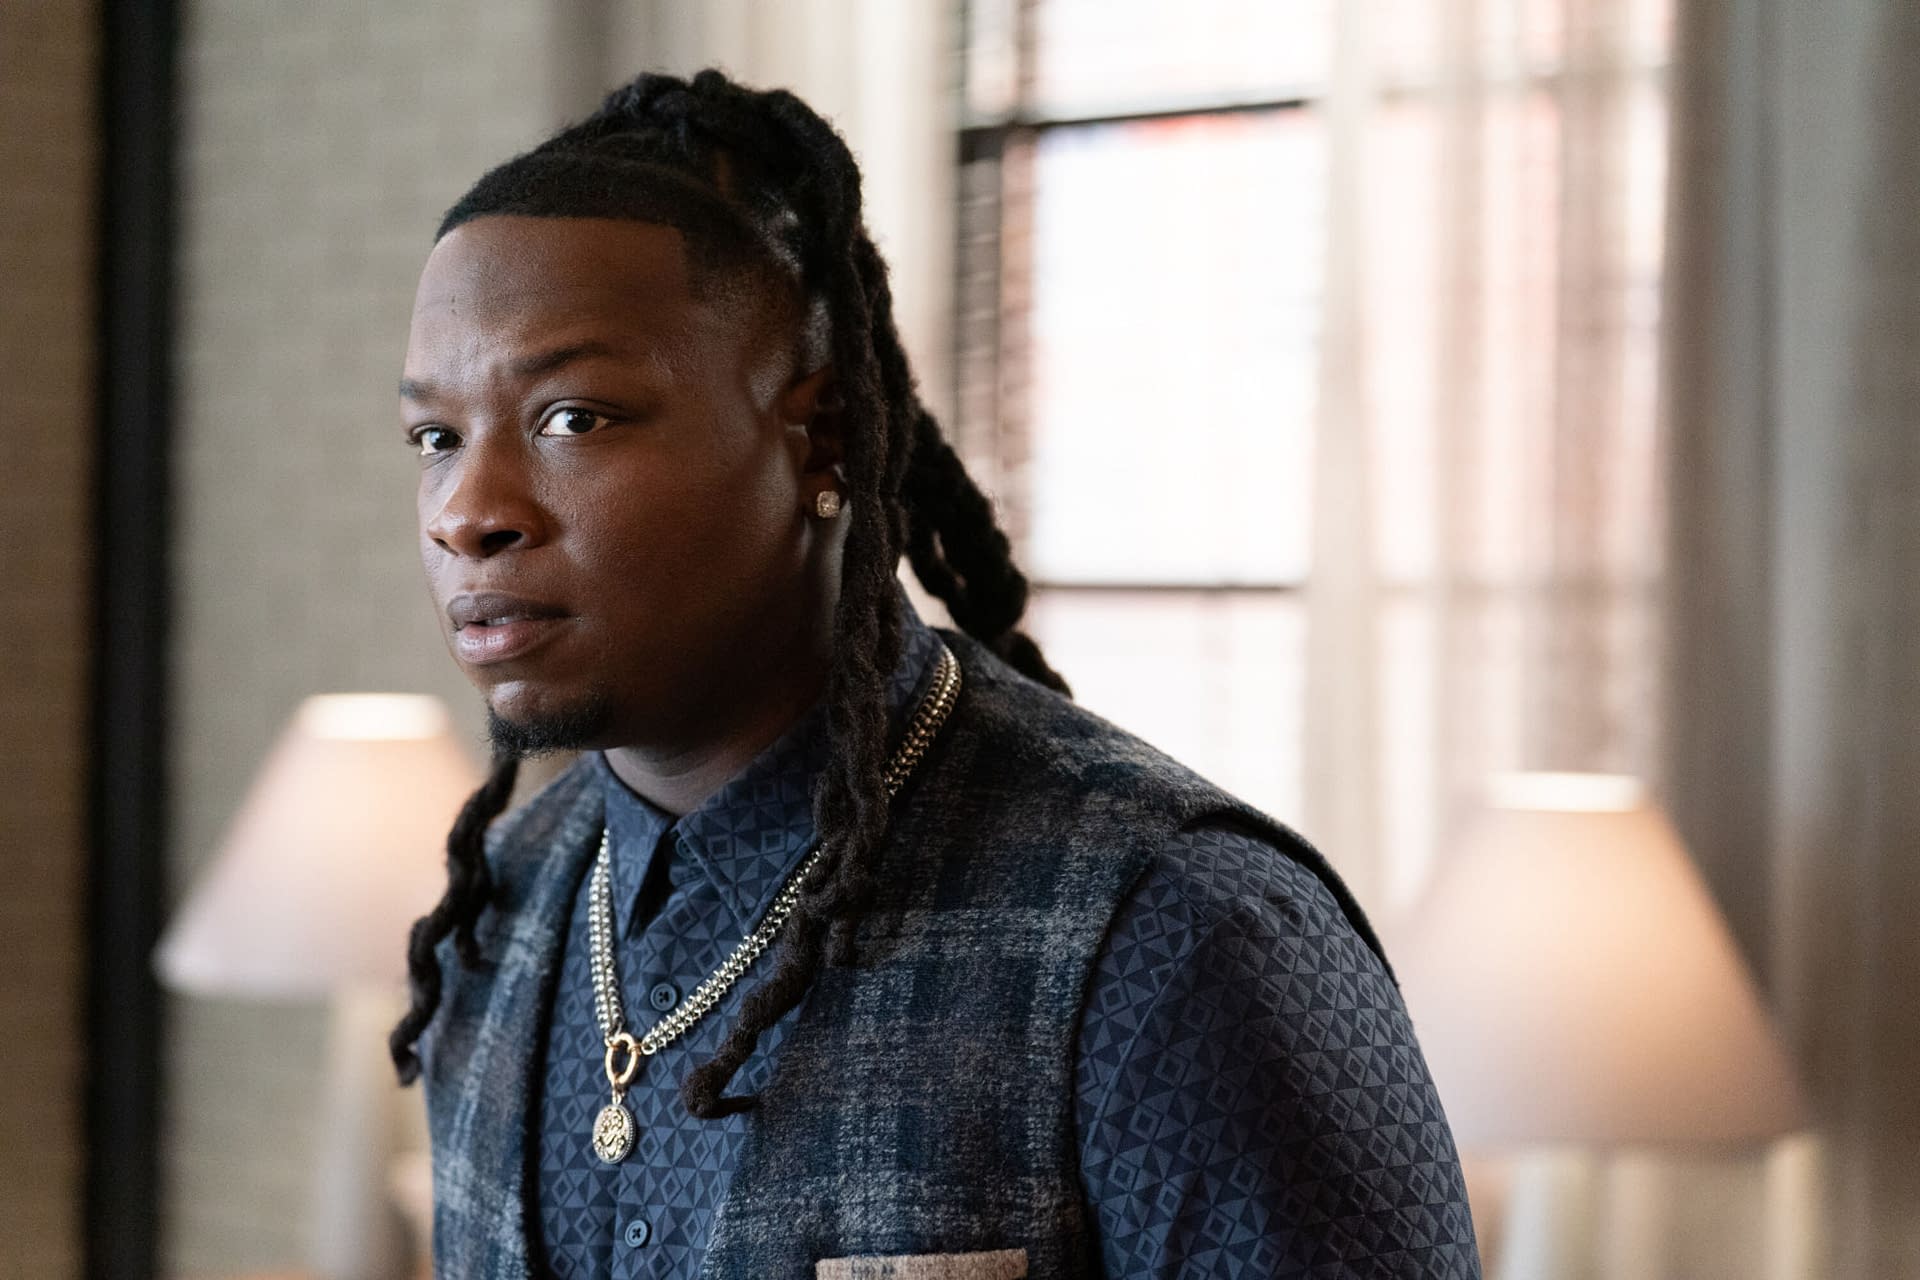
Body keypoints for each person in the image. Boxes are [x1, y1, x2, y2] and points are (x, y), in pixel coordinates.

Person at [390, 68, 1480, 1280]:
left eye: (573, 417)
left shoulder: (1178, 934)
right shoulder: (494, 918)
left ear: (820, 439)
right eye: (436, 436)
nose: (467, 512)